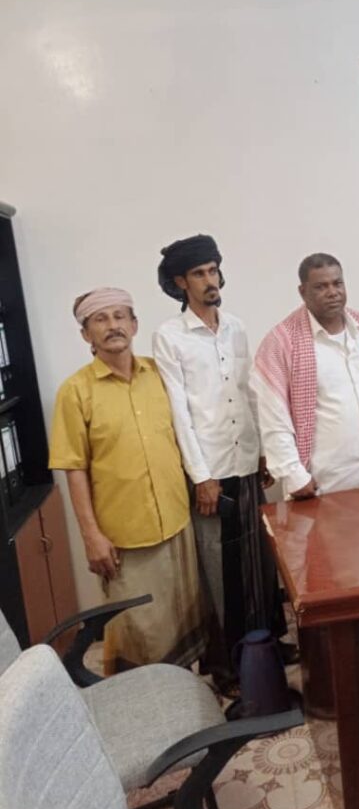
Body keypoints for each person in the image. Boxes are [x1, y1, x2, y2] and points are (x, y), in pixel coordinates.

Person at [153, 234, 288, 693]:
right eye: (199, 274)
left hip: (245, 458)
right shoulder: (170, 336)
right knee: (220, 572)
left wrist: (263, 448)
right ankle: (228, 667)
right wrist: (202, 477)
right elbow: (179, 412)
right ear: (180, 283)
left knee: (258, 562)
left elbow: (249, 392)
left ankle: (266, 646)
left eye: (213, 270)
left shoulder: (235, 327)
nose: (210, 280)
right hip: (210, 470)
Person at [49, 288, 205, 676]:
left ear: (134, 325)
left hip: (176, 521)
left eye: (120, 316)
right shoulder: (75, 392)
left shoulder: (159, 374)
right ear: (86, 334)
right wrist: (91, 536)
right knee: (137, 631)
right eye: (100, 319)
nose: (112, 326)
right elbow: (74, 468)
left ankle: (183, 690)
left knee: (183, 615)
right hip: (124, 537)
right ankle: (144, 698)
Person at [253, 253, 359, 499]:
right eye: (321, 287)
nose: (332, 292)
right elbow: (273, 418)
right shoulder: (282, 342)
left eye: (337, 283)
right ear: (302, 292)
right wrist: (294, 475)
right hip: (320, 483)